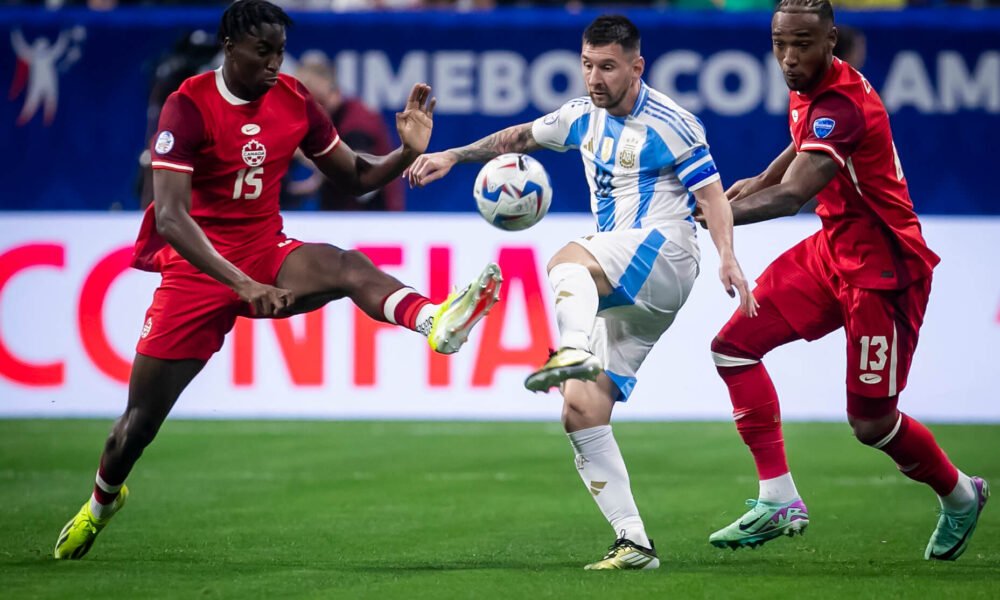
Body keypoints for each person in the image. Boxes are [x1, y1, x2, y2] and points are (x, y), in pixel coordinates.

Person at [53, 0, 502, 560]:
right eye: (263, 52)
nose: (274, 65)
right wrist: (240, 285)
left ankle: (435, 322)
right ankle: (101, 503)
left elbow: (357, 176)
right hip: (196, 269)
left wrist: (406, 151)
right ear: (230, 48)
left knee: (346, 265)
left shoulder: (293, 100)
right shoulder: (187, 105)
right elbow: (169, 217)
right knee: (134, 429)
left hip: (267, 251)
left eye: (281, 53)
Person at [408, 15, 756, 570]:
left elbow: (712, 196)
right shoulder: (579, 116)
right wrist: (453, 155)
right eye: (588, 64)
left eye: (608, 67)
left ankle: (569, 345)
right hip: (628, 278)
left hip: (664, 251)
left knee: (565, 262)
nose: (595, 77)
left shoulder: (673, 123)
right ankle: (634, 542)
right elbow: (520, 137)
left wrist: (729, 257)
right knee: (580, 409)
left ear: (637, 67)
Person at [705, 0, 988, 560]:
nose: (788, 57)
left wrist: (716, 210)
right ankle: (777, 497)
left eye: (802, 43)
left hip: (884, 272)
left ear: (831, 38)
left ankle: (960, 495)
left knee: (872, 423)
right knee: (732, 349)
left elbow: (792, 198)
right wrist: (759, 175)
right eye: (780, 43)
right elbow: (801, 141)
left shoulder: (844, 105)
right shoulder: (813, 83)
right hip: (831, 252)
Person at [283, 52, 405, 212]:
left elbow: (365, 186)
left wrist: (315, 161)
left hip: (370, 221)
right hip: (335, 217)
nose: (313, 110)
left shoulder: (358, 124)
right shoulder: (310, 124)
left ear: (336, 93)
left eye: (320, 101)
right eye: (305, 104)